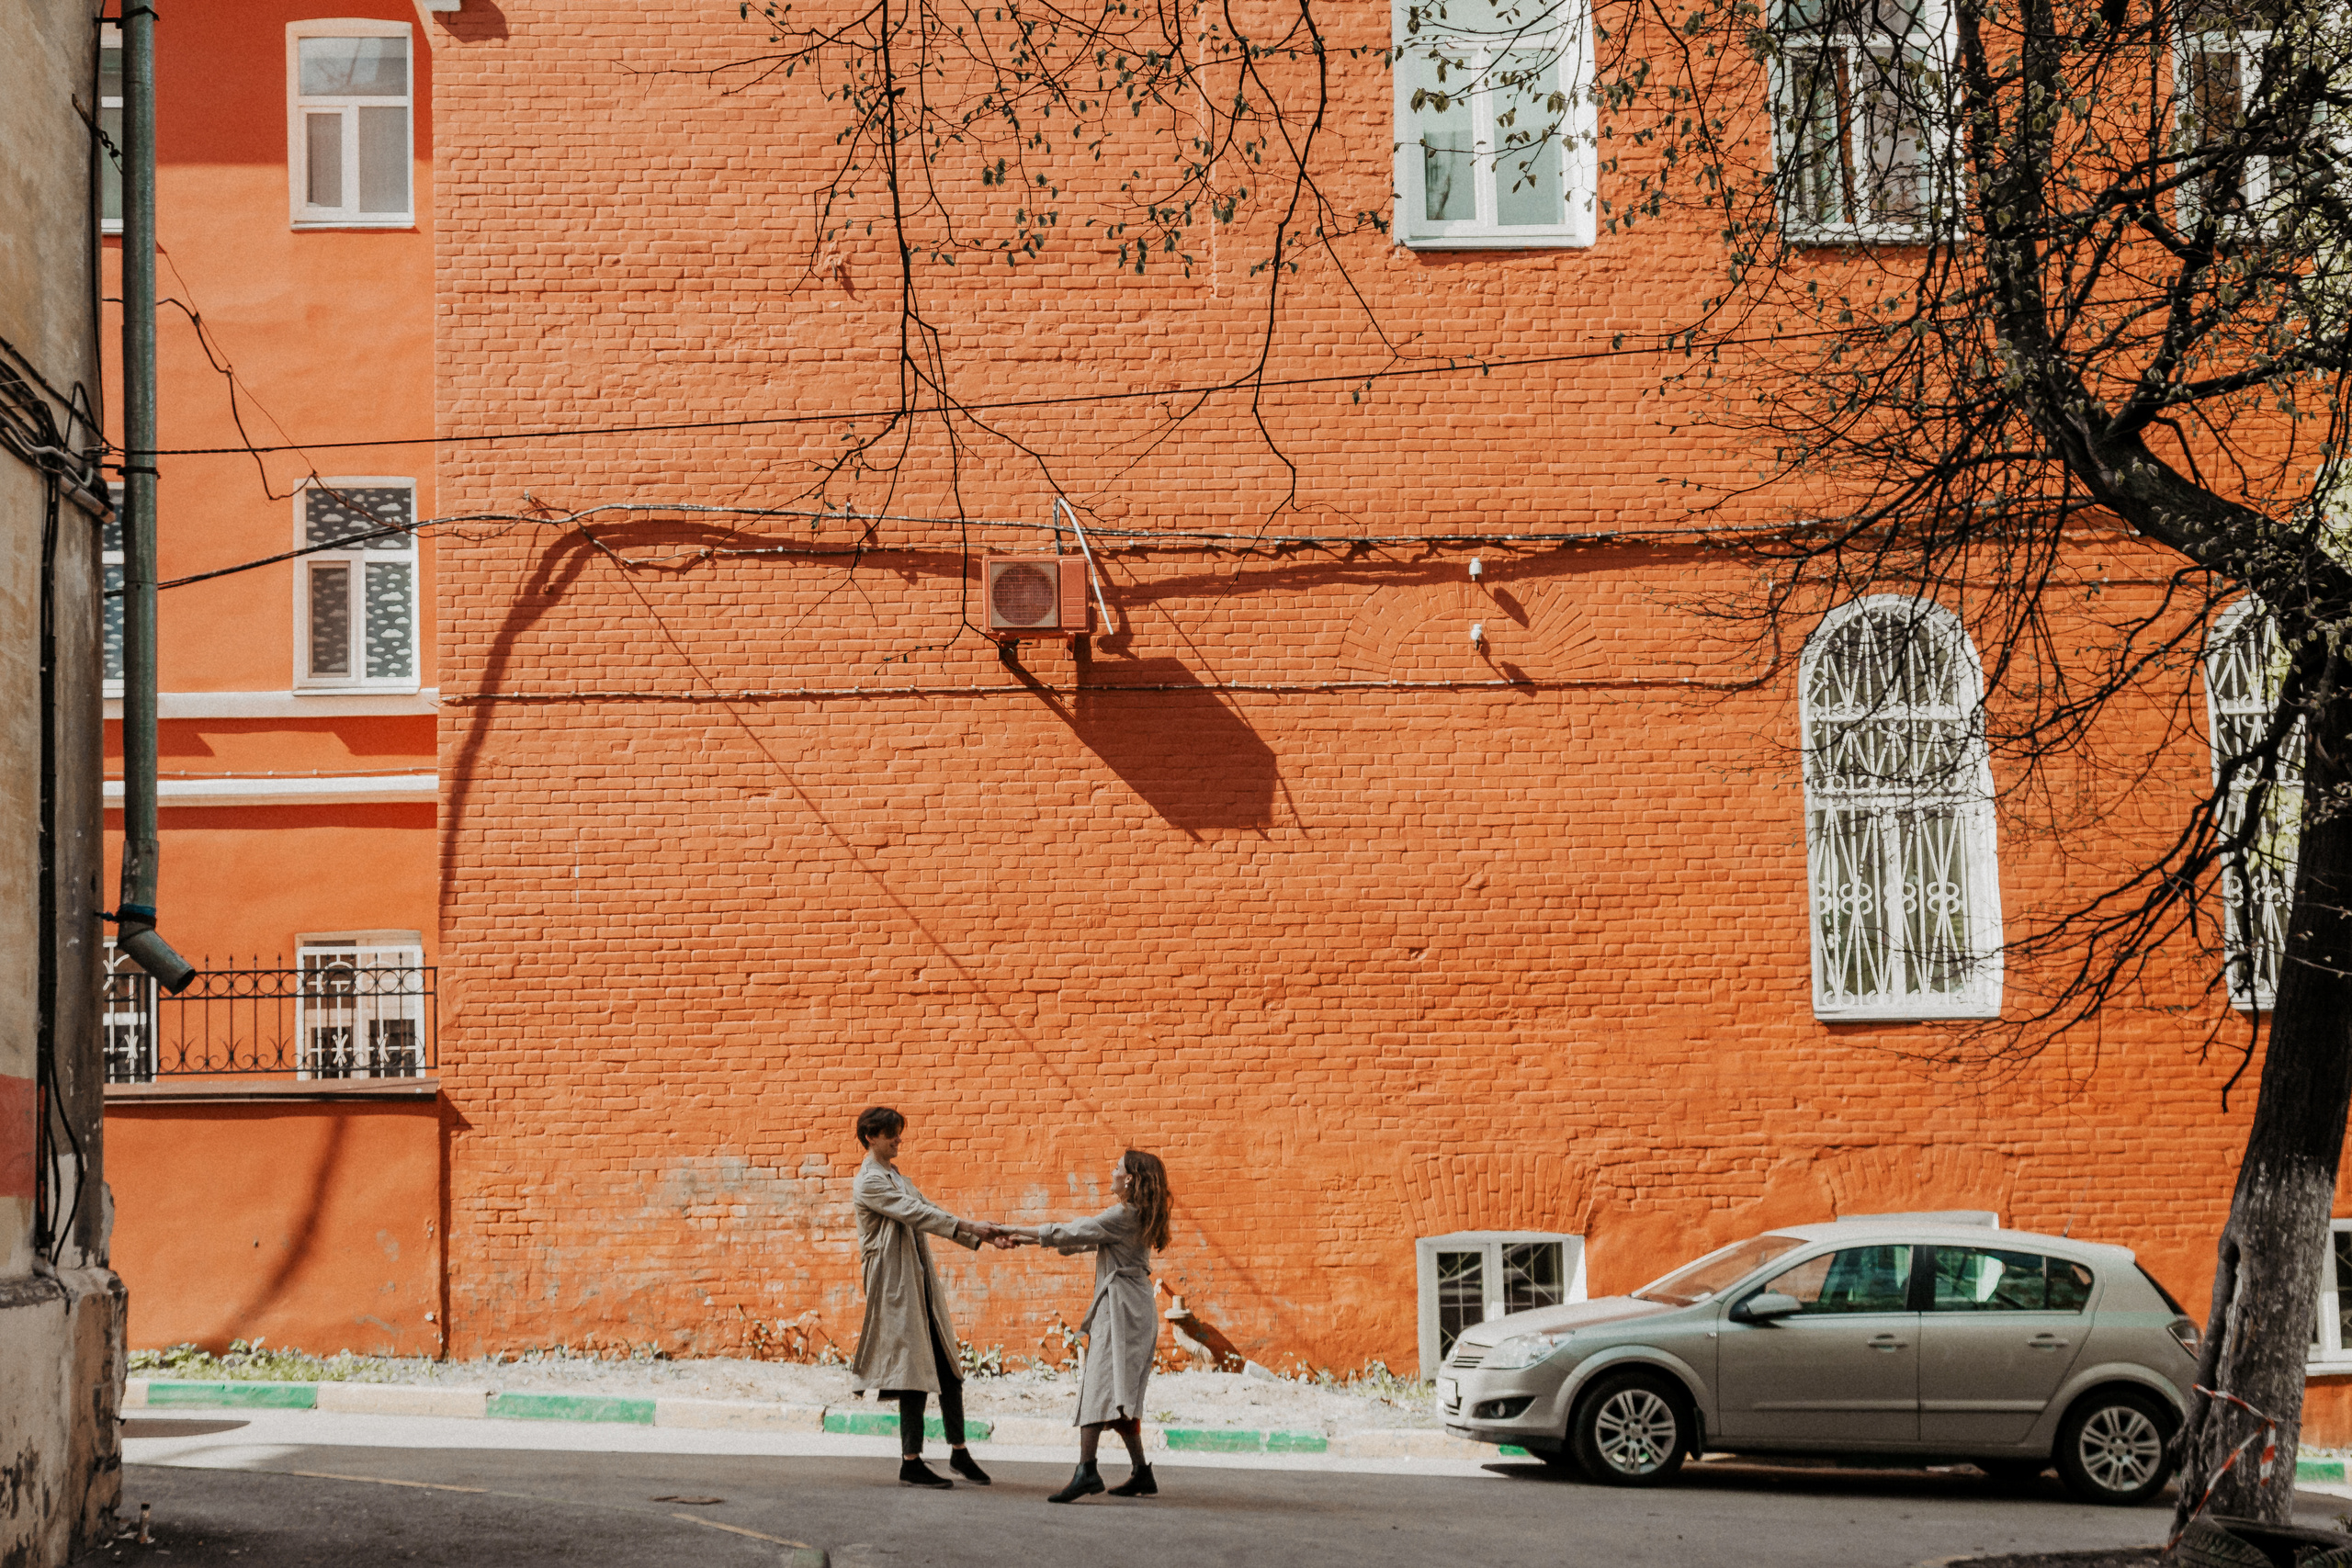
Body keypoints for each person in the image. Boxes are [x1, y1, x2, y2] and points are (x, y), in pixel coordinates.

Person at [1001, 1149, 1174, 1503]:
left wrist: (1015, 1231)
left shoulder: (1123, 1214)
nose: (1112, 1172)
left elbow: (1074, 1231)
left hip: (1121, 1310)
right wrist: (1032, 1238)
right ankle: (1141, 1472)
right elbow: (1081, 1239)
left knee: (1097, 1386)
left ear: (1130, 1179)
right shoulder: (1138, 1215)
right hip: (1135, 1307)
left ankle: (1087, 1470)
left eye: (1117, 1168)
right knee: (1121, 1393)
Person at [850, 1105, 1007, 1489]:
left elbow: (929, 1210)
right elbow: (914, 1213)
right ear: (871, 1137)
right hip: (894, 1287)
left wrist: (983, 1235)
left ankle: (958, 1451)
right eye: (891, 1133)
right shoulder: (869, 1181)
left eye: (898, 1132)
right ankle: (911, 1461)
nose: (898, 1139)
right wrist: (971, 1227)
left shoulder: (896, 1176)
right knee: (912, 1372)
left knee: (949, 1367)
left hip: (919, 1282)